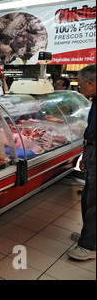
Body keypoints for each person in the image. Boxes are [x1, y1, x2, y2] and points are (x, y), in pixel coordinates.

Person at [67, 64, 96, 261]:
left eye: (81, 85)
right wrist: (86, 154)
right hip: (92, 150)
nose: (80, 89)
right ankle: (88, 234)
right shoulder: (94, 101)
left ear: (91, 83)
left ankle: (90, 245)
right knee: (87, 196)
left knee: (94, 200)